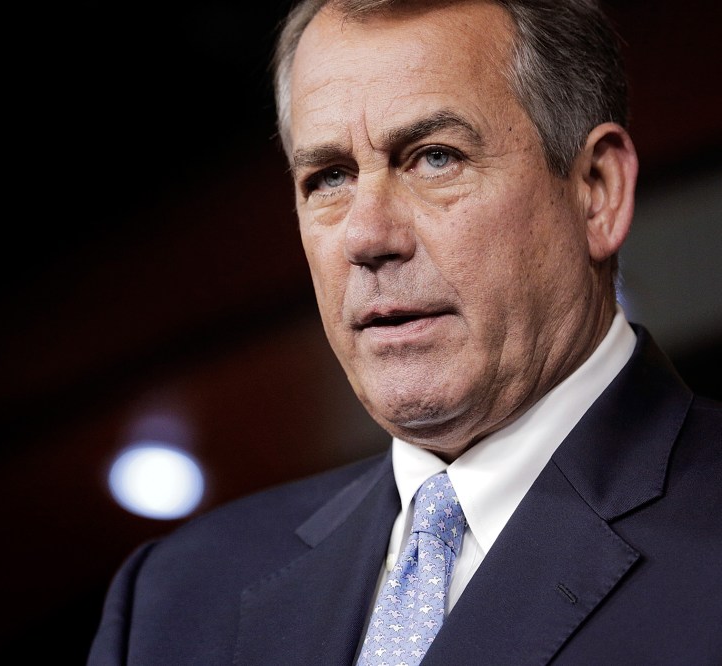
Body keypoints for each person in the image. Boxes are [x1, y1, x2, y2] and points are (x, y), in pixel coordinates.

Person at [87, 0, 722, 663]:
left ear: (598, 190)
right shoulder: (174, 600)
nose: (366, 236)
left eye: (435, 158)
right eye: (330, 177)